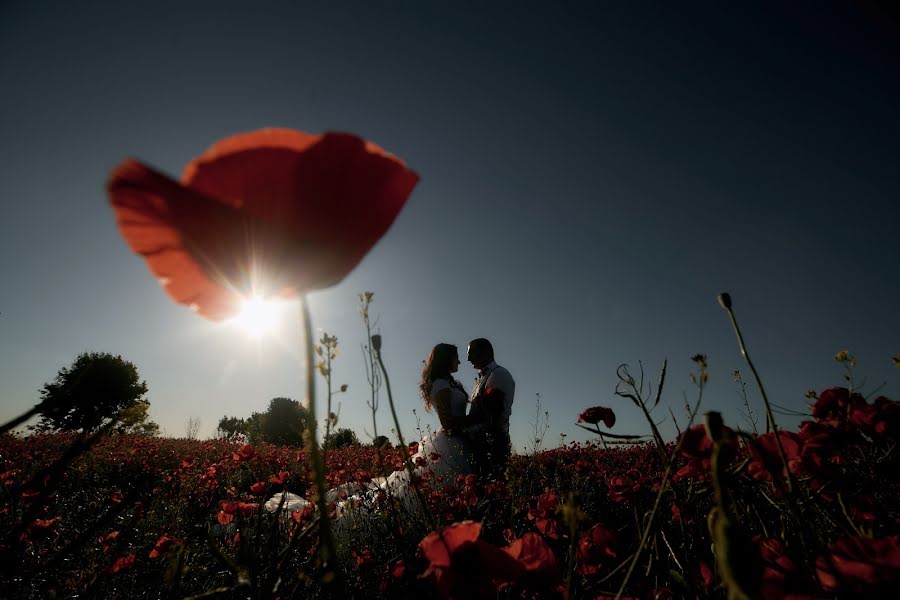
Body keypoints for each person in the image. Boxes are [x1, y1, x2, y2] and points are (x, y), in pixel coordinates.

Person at [465, 338, 515, 479]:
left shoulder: (499, 374)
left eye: (471, 353)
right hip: (481, 442)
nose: (468, 359)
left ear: (485, 352)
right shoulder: (485, 376)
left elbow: (494, 416)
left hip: (492, 444)